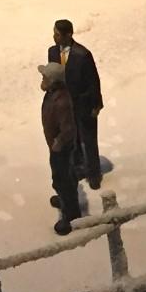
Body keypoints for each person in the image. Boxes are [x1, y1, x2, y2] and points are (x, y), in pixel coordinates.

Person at [46, 18, 104, 188]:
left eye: (58, 34)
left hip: (83, 103)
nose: (54, 37)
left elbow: (93, 81)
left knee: (88, 139)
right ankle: (78, 167)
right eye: (54, 34)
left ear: (68, 34)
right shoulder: (52, 52)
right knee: (72, 139)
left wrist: (96, 104)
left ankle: (94, 173)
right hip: (64, 106)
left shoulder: (82, 54)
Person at [41, 63, 82, 236]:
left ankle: (71, 215)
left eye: (45, 77)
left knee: (63, 179)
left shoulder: (61, 102)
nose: (42, 80)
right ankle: (64, 199)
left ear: (53, 81)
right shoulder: (52, 94)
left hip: (61, 149)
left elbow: (68, 129)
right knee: (61, 177)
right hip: (55, 146)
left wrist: (59, 142)